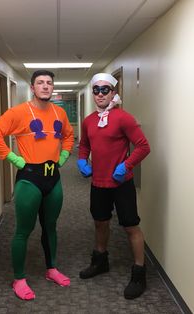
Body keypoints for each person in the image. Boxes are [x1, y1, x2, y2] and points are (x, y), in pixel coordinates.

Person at [0, 70, 74, 300]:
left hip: (53, 178)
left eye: (49, 83)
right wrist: (13, 158)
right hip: (30, 178)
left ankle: (51, 268)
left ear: (53, 87)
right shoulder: (19, 112)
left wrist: (64, 156)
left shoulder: (60, 112)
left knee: (51, 226)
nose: (45, 86)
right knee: (24, 230)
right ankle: (19, 278)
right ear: (33, 88)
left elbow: (68, 136)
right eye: (40, 83)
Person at [77, 73, 150, 299]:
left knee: (130, 227)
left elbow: (143, 146)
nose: (100, 94)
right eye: (96, 90)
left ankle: (139, 274)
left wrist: (126, 166)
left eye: (104, 90)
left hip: (121, 183)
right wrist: (82, 160)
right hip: (98, 183)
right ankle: (100, 262)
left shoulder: (123, 118)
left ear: (113, 92)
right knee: (100, 223)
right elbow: (84, 145)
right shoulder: (88, 120)